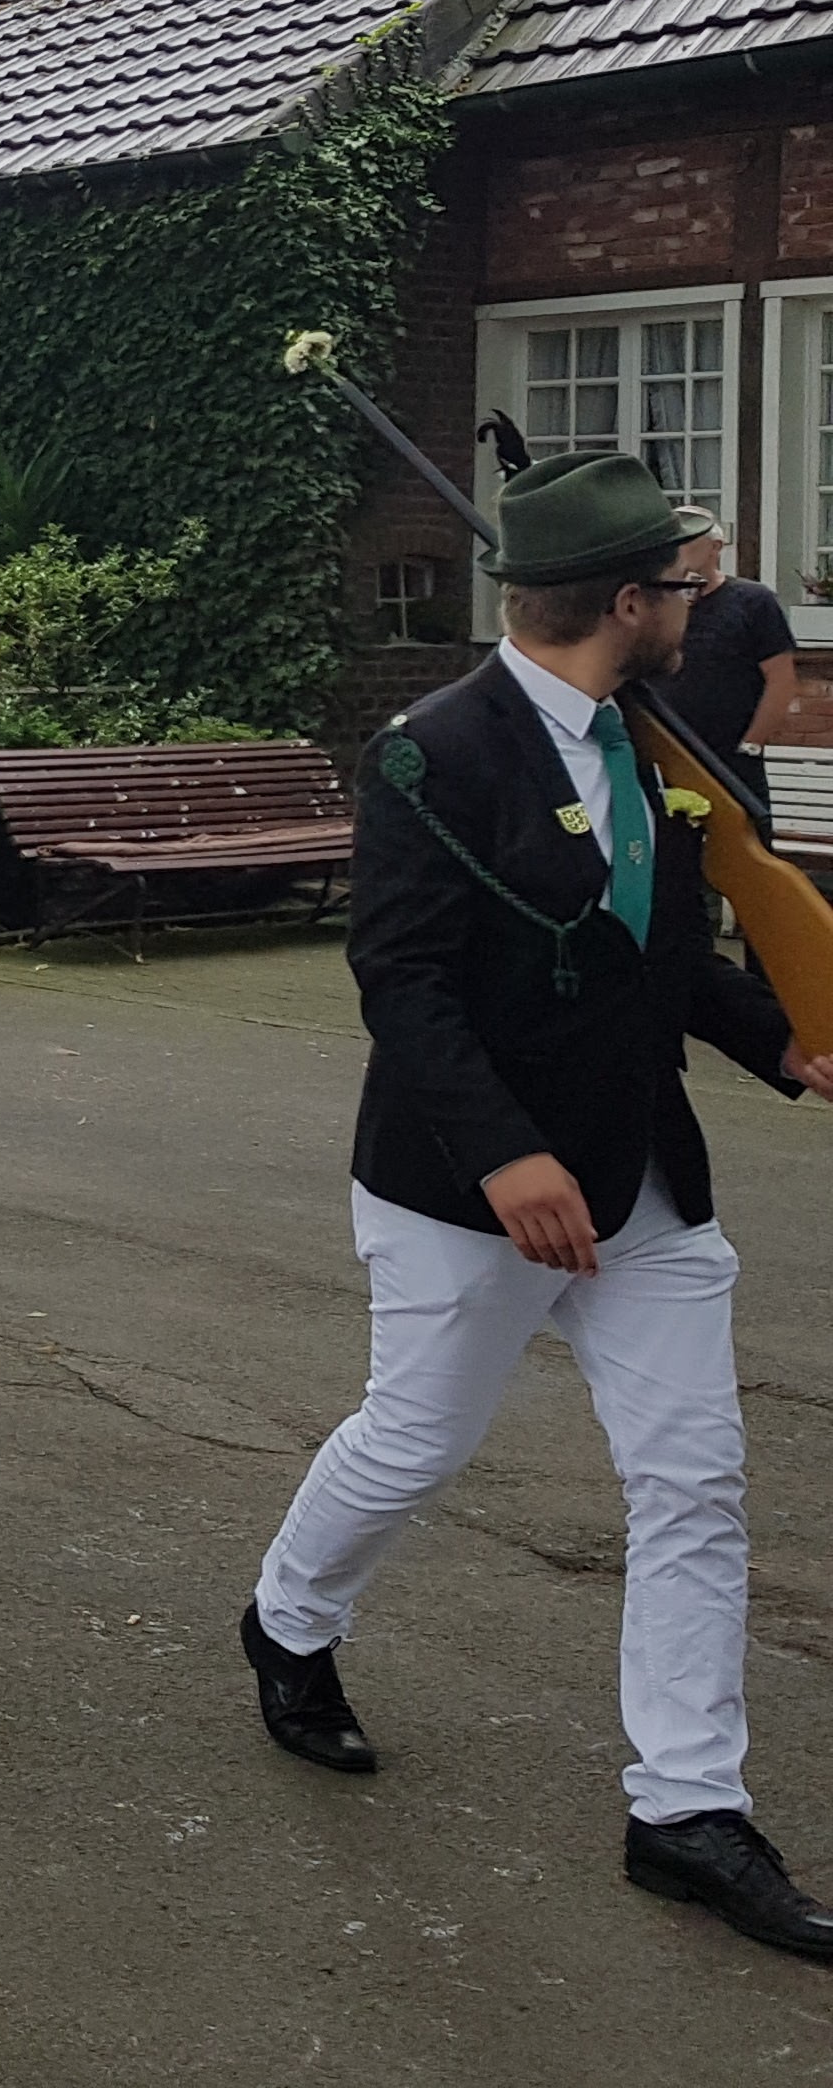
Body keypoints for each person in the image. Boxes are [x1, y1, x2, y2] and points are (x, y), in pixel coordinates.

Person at [240, 449, 833, 1958]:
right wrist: (508, 1156)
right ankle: (289, 1619)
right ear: (628, 602)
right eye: (685, 587)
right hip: (463, 1189)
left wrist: (783, 1041)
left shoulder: (657, 740)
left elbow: (658, 958)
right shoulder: (430, 756)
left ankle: (687, 1810)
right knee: (415, 1444)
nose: (704, 607)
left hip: (645, 1185)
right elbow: (404, 982)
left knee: (693, 1483)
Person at [657, 518, 801, 817]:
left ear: (715, 547)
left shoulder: (752, 601)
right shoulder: (656, 603)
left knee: (743, 838)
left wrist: (752, 744)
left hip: (731, 756)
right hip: (666, 753)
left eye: (687, 540)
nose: (677, 548)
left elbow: (781, 680)